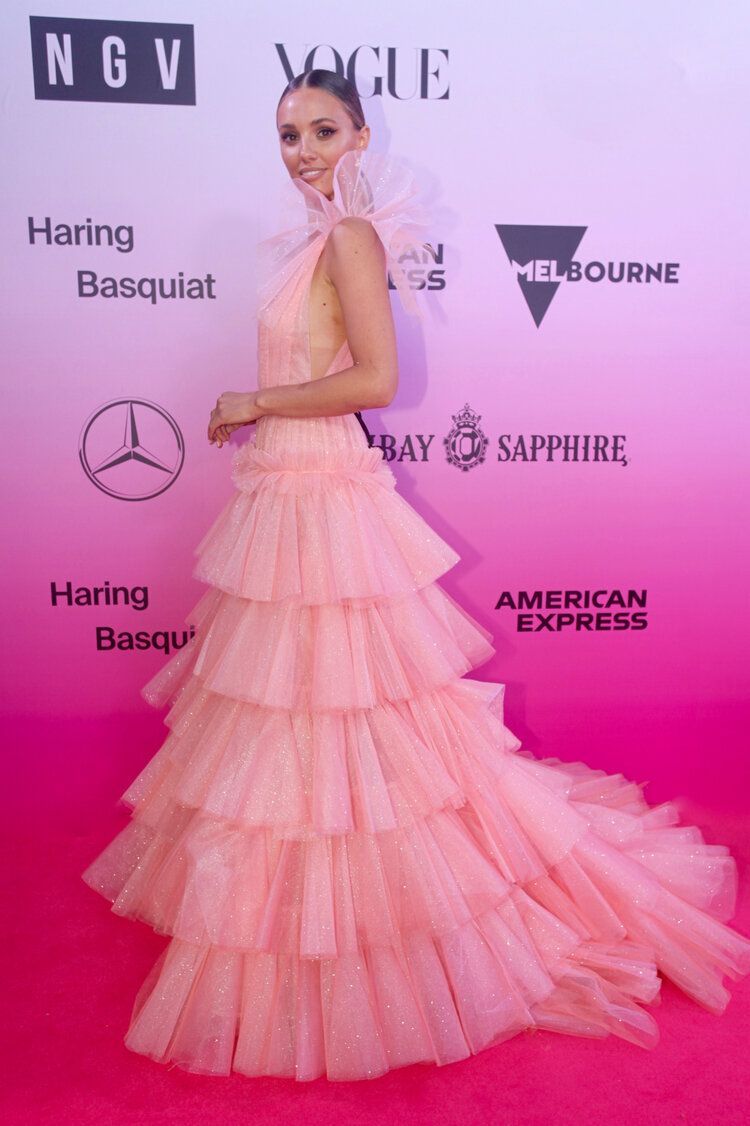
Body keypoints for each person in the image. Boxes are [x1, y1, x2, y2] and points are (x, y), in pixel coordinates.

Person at [82, 68, 750, 1082]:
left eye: (320, 130)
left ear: (360, 137)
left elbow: (378, 380)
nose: (301, 150)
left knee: (351, 713)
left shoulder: (350, 240)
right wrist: (260, 415)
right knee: (290, 714)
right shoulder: (307, 242)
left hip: (325, 496)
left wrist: (254, 399)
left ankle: (366, 921)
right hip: (284, 493)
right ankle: (300, 902)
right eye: (286, 134)